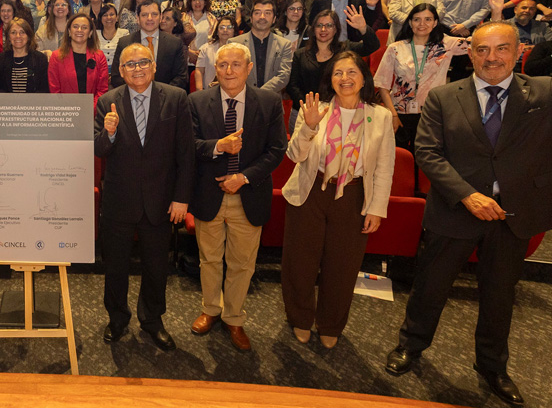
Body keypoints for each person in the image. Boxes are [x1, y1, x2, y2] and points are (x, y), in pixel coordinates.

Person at [385, 22, 552, 405]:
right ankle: (411, 345)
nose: (492, 57)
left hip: (513, 216)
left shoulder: (544, 92)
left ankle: (492, 366)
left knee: (499, 294)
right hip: (454, 211)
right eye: (482, 49)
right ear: (471, 53)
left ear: (517, 51)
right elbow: (427, 152)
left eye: (501, 48)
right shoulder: (444, 97)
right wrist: (468, 196)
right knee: (430, 287)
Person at [282, 52, 395, 348]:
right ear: (329, 80)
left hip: (354, 195)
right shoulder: (315, 109)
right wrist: (308, 126)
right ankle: (300, 318)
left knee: (342, 265)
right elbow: (294, 156)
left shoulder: (380, 116)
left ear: (363, 78)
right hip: (311, 190)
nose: (345, 79)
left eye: (351, 72)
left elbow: (384, 167)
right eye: (337, 73)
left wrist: (377, 208)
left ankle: (330, 323)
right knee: (300, 261)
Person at [95, 43, 195, 350]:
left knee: (156, 266)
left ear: (153, 66)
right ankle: (117, 318)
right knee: (115, 266)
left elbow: (186, 153)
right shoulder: (107, 102)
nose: (137, 68)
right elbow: (98, 149)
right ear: (121, 71)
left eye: (143, 63)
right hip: (118, 200)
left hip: (161, 200)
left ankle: (152, 320)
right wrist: (108, 133)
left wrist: (181, 198)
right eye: (130, 65)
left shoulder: (176, 98)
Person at [189, 43, 287, 351]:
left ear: (248, 69)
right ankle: (210, 309)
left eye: (235, 65)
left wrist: (242, 178)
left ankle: (233, 317)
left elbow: (277, 150)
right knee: (209, 260)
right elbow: (189, 145)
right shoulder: (197, 101)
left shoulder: (269, 102)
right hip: (209, 193)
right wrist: (219, 146)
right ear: (214, 69)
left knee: (243, 263)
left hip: (249, 193)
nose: (229, 71)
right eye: (222, 65)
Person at [375, 3, 469, 152]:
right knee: (400, 160)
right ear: (410, 22)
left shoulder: (446, 45)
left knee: (426, 159)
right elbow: (382, 85)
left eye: (428, 19)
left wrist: (495, 12)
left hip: (431, 114)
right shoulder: (396, 48)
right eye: (417, 19)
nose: (422, 24)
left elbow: (480, 43)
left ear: (435, 23)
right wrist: (393, 115)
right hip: (400, 114)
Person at [287, 8, 380, 133]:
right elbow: (293, 85)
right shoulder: (300, 54)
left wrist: (363, 28)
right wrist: (309, 107)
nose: (323, 29)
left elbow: (372, 46)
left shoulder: (345, 48)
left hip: (339, 112)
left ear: (336, 29)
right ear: (313, 29)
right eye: (319, 25)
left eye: (329, 25)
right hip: (303, 112)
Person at [110, 0, 189, 91]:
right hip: (133, 98)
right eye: (144, 15)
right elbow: (116, 77)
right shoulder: (124, 43)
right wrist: (137, 91)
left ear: (160, 18)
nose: (150, 18)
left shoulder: (174, 43)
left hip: (165, 100)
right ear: (138, 18)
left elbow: (181, 77)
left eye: (154, 14)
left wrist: (161, 95)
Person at [229, 0, 293, 95]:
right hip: (242, 99)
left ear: (274, 19)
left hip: (271, 101)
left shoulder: (284, 45)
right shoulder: (234, 43)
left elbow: (284, 76)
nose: (262, 17)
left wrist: (259, 94)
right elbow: (232, 73)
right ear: (251, 18)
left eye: (267, 13)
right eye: (257, 13)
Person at [48, 12, 109, 106]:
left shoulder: (99, 56)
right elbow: (55, 91)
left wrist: (88, 110)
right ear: (69, 31)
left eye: (84, 27)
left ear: (90, 33)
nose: (79, 30)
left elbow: (102, 90)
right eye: (75, 27)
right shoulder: (56, 57)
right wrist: (71, 112)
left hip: (92, 113)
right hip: (66, 113)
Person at [0, 18, 49, 93]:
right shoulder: (0, 59)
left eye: (22, 32)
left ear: (28, 36)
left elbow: (44, 89)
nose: (18, 36)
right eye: (13, 32)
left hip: (33, 103)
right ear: (8, 37)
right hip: (6, 104)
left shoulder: (40, 59)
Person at [194, 15, 237, 90]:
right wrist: (200, 91)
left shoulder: (240, 50)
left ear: (234, 31)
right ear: (217, 31)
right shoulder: (206, 48)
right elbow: (199, 71)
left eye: (229, 27)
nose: (225, 30)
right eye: (222, 27)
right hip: (209, 91)